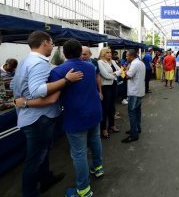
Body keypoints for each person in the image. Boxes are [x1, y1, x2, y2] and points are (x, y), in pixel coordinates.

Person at [18, 39, 103, 197]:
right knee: (95, 140)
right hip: (94, 111)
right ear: (80, 52)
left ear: (64, 53)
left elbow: (51, 97)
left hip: (76, 116)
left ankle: (83, 190)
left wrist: (24, 102)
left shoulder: (58, 71)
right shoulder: (91, 67)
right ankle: (98, 168)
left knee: (79, 153)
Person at [11, 30, 83, 197]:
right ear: (44, 42)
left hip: (31, 117)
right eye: (51, 43)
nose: (52, 47)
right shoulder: (39, 63)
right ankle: (30, 193)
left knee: (41, 153)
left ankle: (45, 179)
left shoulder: (25, 62)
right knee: (34, 158)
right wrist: (65, 80)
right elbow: (39, 90)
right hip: (39, 118)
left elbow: (17, 88)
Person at [122, 49, 146, 143]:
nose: (126, 57)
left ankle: (134, 134)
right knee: (137, 111)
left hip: (134, 92)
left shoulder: (135, 64)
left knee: (132, 112)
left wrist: (124, 70)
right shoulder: (139, 62)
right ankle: (136, 128)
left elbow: (128, 76)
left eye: (127, 56)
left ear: (131, 56)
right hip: (138, 91)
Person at [98, 48, 121, 138]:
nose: (109, 54)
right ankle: (103, 128)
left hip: (113, 85)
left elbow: (121, 70)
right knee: (105, 108)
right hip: (106, 87)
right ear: (103, 54)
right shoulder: (100, 62)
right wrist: (115, 74)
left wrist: (114, 74)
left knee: (112, 106)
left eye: (110, 52)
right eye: (107, 52)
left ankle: (112, 125)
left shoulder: (113, 62)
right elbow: (105, 75)